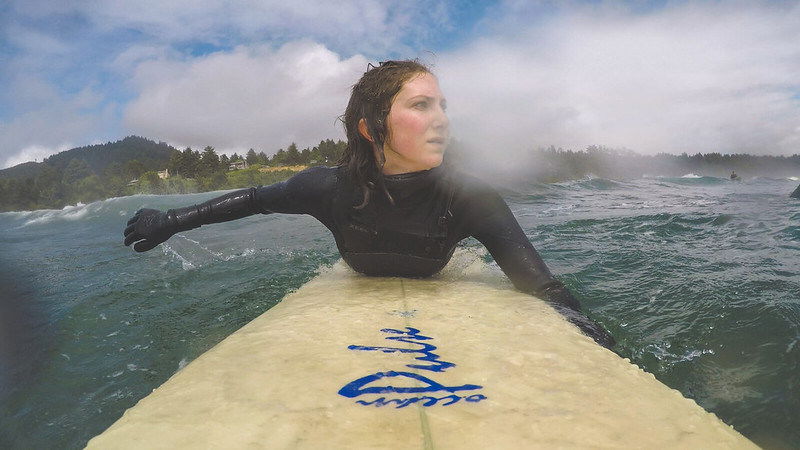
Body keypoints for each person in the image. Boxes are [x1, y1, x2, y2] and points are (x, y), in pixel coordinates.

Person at [123, 60, 615, 348]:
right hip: (360, 270)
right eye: (421, 106)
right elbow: (254, 199)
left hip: (438, 273)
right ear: (371, 126)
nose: (442, 119)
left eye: (443, 105)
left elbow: (542, 285)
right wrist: (171, 219)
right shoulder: (327, 188)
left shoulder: (470, 198)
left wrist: (585, 329)